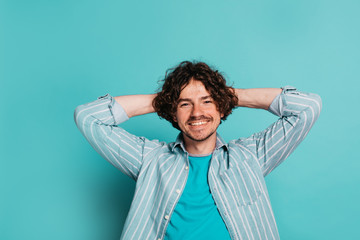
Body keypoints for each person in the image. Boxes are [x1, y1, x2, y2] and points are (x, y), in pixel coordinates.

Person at [74, 61, 322, 240]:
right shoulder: (150, 159)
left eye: (207, 101)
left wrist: (230, 95)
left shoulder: (251, 156)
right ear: (173, 112)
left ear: (221, 107)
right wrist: (165, 99)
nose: (197, 113)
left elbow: (307, 107)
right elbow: (88, 117)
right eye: (185, 104)